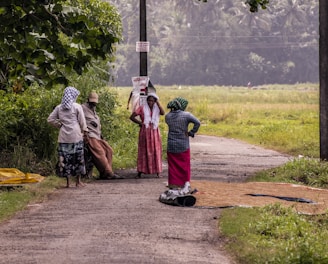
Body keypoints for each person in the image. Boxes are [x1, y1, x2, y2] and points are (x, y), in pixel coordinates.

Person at [47, 86, 87, 188]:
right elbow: (82, 121)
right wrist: (85, 131)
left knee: (65, 159)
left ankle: (68, 183)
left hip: (64, 136)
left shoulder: (59, 107)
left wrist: (59, 125)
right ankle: (78, 182)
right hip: (76, 135)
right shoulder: (77, 106)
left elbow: (50, 119)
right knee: (78, 158)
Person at [82, 92, 122, 180]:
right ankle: (109, 173)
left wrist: (101, 135)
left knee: (109, 150)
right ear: (88, 100)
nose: (93, 104)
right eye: (92, 102)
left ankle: (105, 173)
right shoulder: (82, 108)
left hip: (97, 135)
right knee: (100, 153)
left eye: (95, 102)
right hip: (90, 135)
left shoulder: (93, 110)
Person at [165, 97, 201, 190]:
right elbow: (197, 122)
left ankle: (173, 184)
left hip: (171, 144)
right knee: (184, 165)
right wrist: (191, 132)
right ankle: (185, 184)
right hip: (183, 144)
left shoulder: (168, 116)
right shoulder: (186, 115)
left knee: (173, 166)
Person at [129, 93, 165, 178]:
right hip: (145, 131)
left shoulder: (157, 108)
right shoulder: (142, 108)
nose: (150, 102)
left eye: (152, 101)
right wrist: (140, 123)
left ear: (155, 101)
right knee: (143, 150)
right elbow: (132, 117)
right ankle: (140, 171)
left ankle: (157, 172)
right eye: (149, 100)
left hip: (154, 131)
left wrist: (158, 103)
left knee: (155, 150)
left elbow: (163, 113)